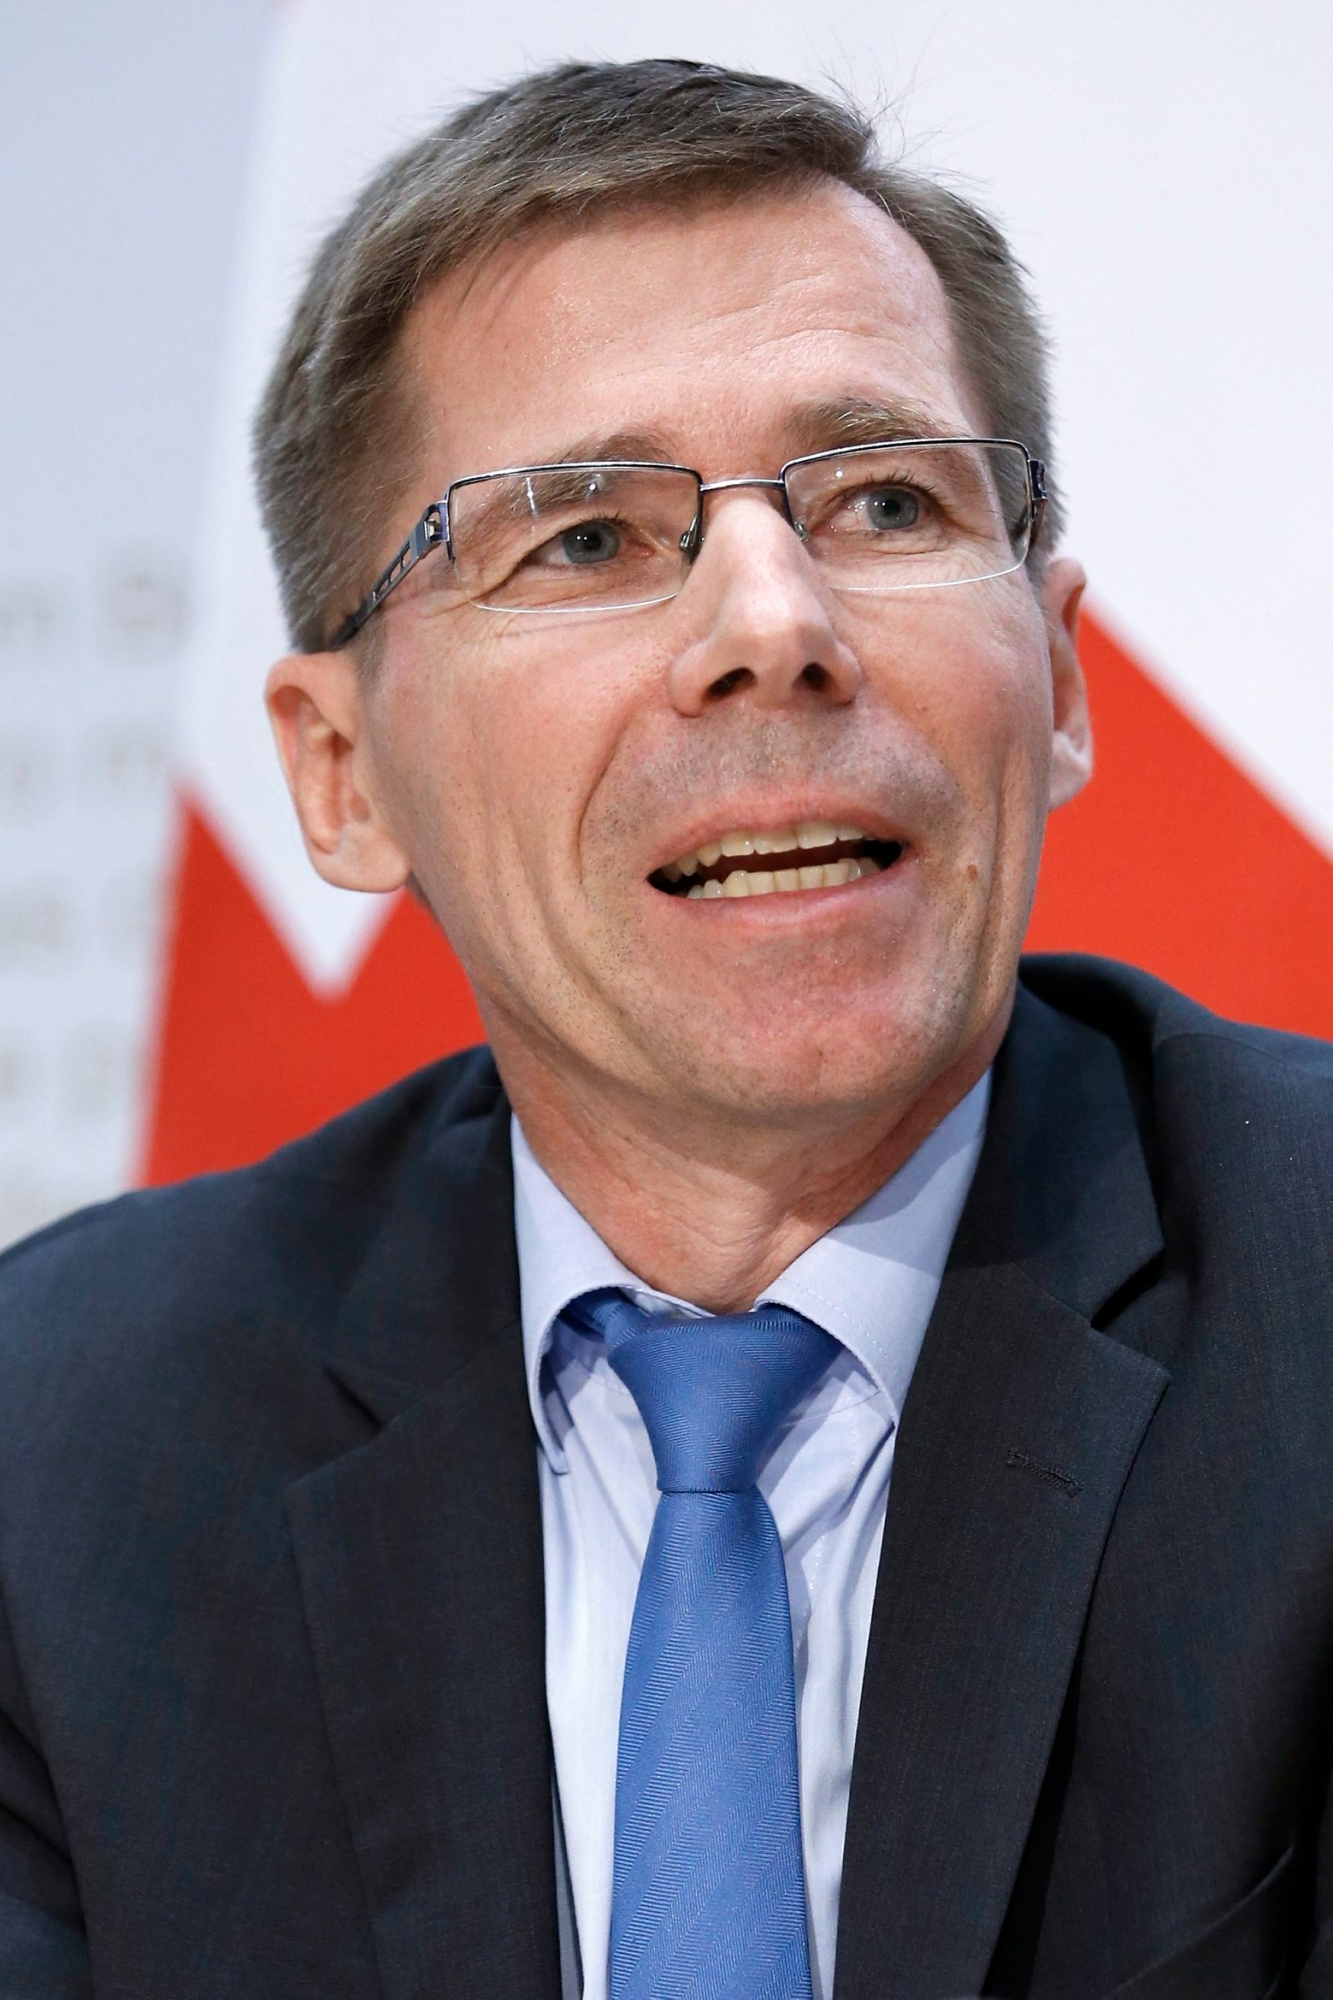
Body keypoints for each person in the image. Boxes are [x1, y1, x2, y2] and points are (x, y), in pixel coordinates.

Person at [0, 55, 1328, 2000]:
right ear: (344, 770)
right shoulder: (66, 1455)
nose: (770, 618)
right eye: (589, 539)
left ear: (1053, 666)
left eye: (880, 497)